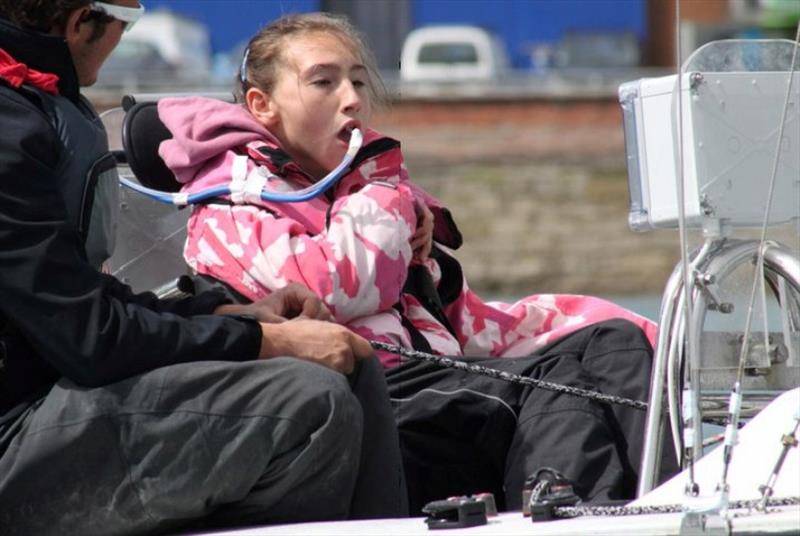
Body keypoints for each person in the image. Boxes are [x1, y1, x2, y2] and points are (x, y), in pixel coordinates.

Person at [157, 12, 677, 513]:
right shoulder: (228, 202)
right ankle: (569, 517)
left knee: (616, 341)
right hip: (373, 392)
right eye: (324, 82)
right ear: (261, 105)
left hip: (434, 366)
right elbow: (336, 285)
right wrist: (383, 183)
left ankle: (666, 502)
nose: (352, 99)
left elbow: (431, 312)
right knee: (551, 382)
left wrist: (430, 261)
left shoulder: (349, 190)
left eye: (358, 82)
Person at [0, 2, 408, 534]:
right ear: (81, 24)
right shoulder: (9, 131)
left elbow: (80, 298)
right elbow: (90, 339)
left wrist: (226, 310)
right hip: (15, 430)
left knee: (347, 364)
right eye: (128, 21)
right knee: (311, 402)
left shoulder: (28, 107)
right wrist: (268, 342)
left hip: (51, 390)